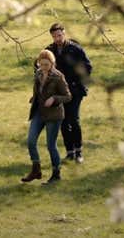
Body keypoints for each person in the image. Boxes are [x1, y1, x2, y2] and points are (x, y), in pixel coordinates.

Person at [21, 50, 72, 184]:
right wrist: (35, 97)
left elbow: (68, 96)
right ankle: (36, 170)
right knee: (31, 141)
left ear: (52, 63)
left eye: (46, 64)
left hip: (54, 115)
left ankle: (56, 174)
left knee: (51, 145)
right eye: (41, 64)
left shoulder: (58, 77)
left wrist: (54, 99)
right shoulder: (38, 74)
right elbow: (39, 90)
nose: (43, 67)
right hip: (39, 112)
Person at [45, 23, 92, 163]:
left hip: (75, 90)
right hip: (59, 92)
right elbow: (39, 65)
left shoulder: (75, 49)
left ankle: (78, 152)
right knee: (63, 121)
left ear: (64, 33)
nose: (57, 38)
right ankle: (69, 151)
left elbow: (88, 66)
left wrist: (78, 81)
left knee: (74, 119)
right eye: (54, 36)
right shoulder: (49, 50)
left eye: (59, 35)